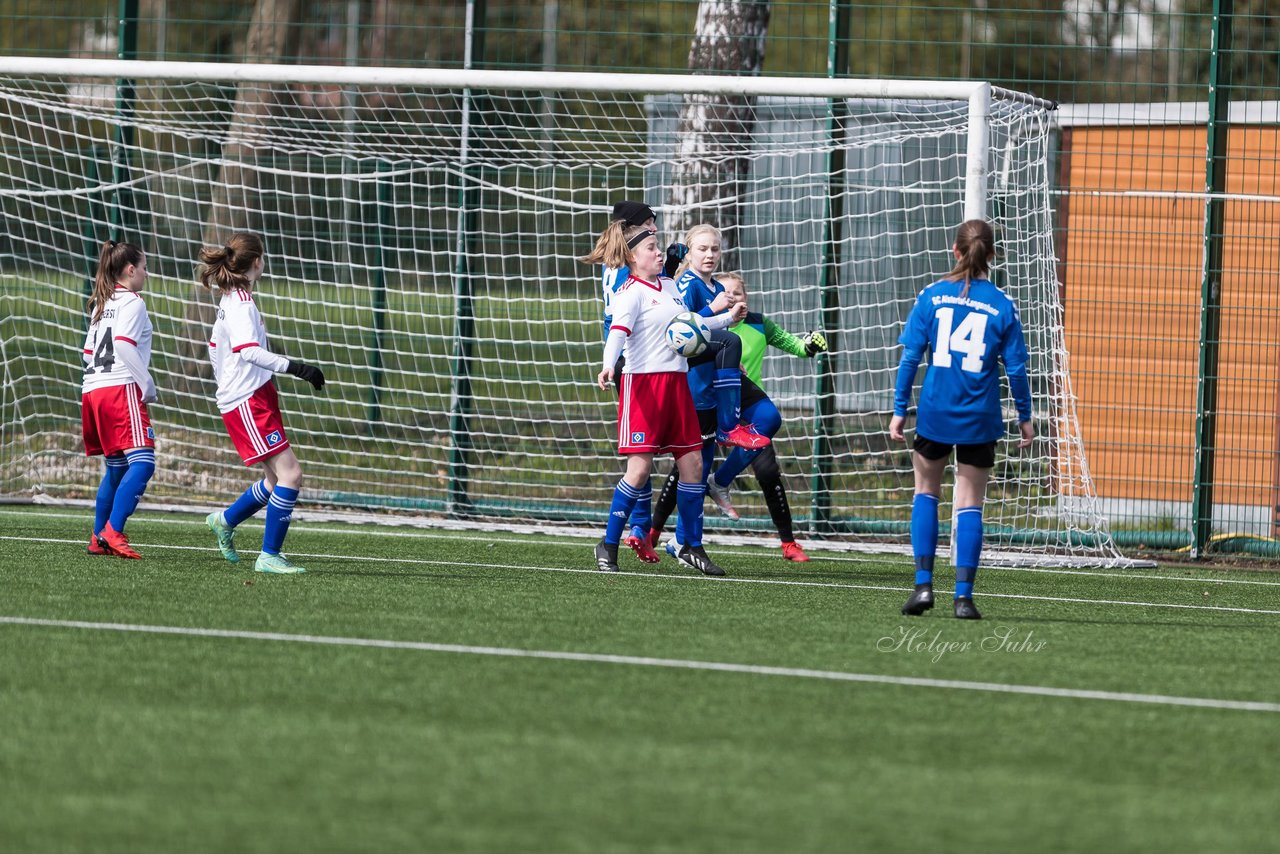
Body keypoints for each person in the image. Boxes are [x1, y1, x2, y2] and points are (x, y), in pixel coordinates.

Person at [889, 219, 1034, 620]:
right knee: (969, 502)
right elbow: (1018, 371)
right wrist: (1025, 417)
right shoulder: (1003, 305)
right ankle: (963, 598)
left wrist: (900, 410)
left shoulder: (931, 296)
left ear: (955, 251)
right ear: (991, 256)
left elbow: (910, 358)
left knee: (926, 493)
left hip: (935, 412)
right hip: (978, 417)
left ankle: (922, 588)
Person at [592, 221, 745, 576]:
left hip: (677, 385)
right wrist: (607, 365)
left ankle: (691, 544)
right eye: (651, 248)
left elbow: (690, 328)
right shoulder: (630, 293)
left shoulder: (671, 285)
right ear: (632, 256)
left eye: (658, 247)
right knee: (640, 470)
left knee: (693, 465)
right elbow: (617, 332)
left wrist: (726, 318)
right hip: (643, 387)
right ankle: (609, 543)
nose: (660, 252)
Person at [199, 232, 328, 575]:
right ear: (257, 262)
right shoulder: (239, 303)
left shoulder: (234, 297)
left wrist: (227, 381)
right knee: (291, 474)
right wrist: (298, 368)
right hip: (247, 401)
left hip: (253, 395)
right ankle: (269, 555)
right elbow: (248, 351)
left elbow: (215, 346)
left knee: (274, 480)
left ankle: (225, 521)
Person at [648, 224, 772, 565]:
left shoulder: (716, 286)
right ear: (689, 251)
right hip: (692, 389)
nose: (709, 255)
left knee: (699, 470)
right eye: (702, 249)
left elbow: (718, 334)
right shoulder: (686, 284)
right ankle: (654, 535)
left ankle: (683, 542)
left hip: (713, 387)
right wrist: (714, 311)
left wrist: (731, 316)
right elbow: (679, 331)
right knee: (688, 468)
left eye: (714, 250)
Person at [702, 271, 828, 562]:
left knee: (769, 473)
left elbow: (794, 345)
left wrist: (809, 346)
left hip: (750, 413)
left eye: (739, 294)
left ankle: (789, 544)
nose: (734, 298)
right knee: (687, 471)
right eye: (727, 293)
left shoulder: (759, 323)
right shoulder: (710, 324)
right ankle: (653, 533)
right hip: (712, 409)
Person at [82, 240, 157, 559]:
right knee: (144, 462)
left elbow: (88, 352)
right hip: (119, 388)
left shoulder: (103, 302)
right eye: (143, 267)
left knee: (116, 467)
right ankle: (113, 531)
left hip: (93, 389)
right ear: (129, 270)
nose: (145, 272)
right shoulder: (133, 302)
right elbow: (124, 346)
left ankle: (98, 537)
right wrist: (147, 382)